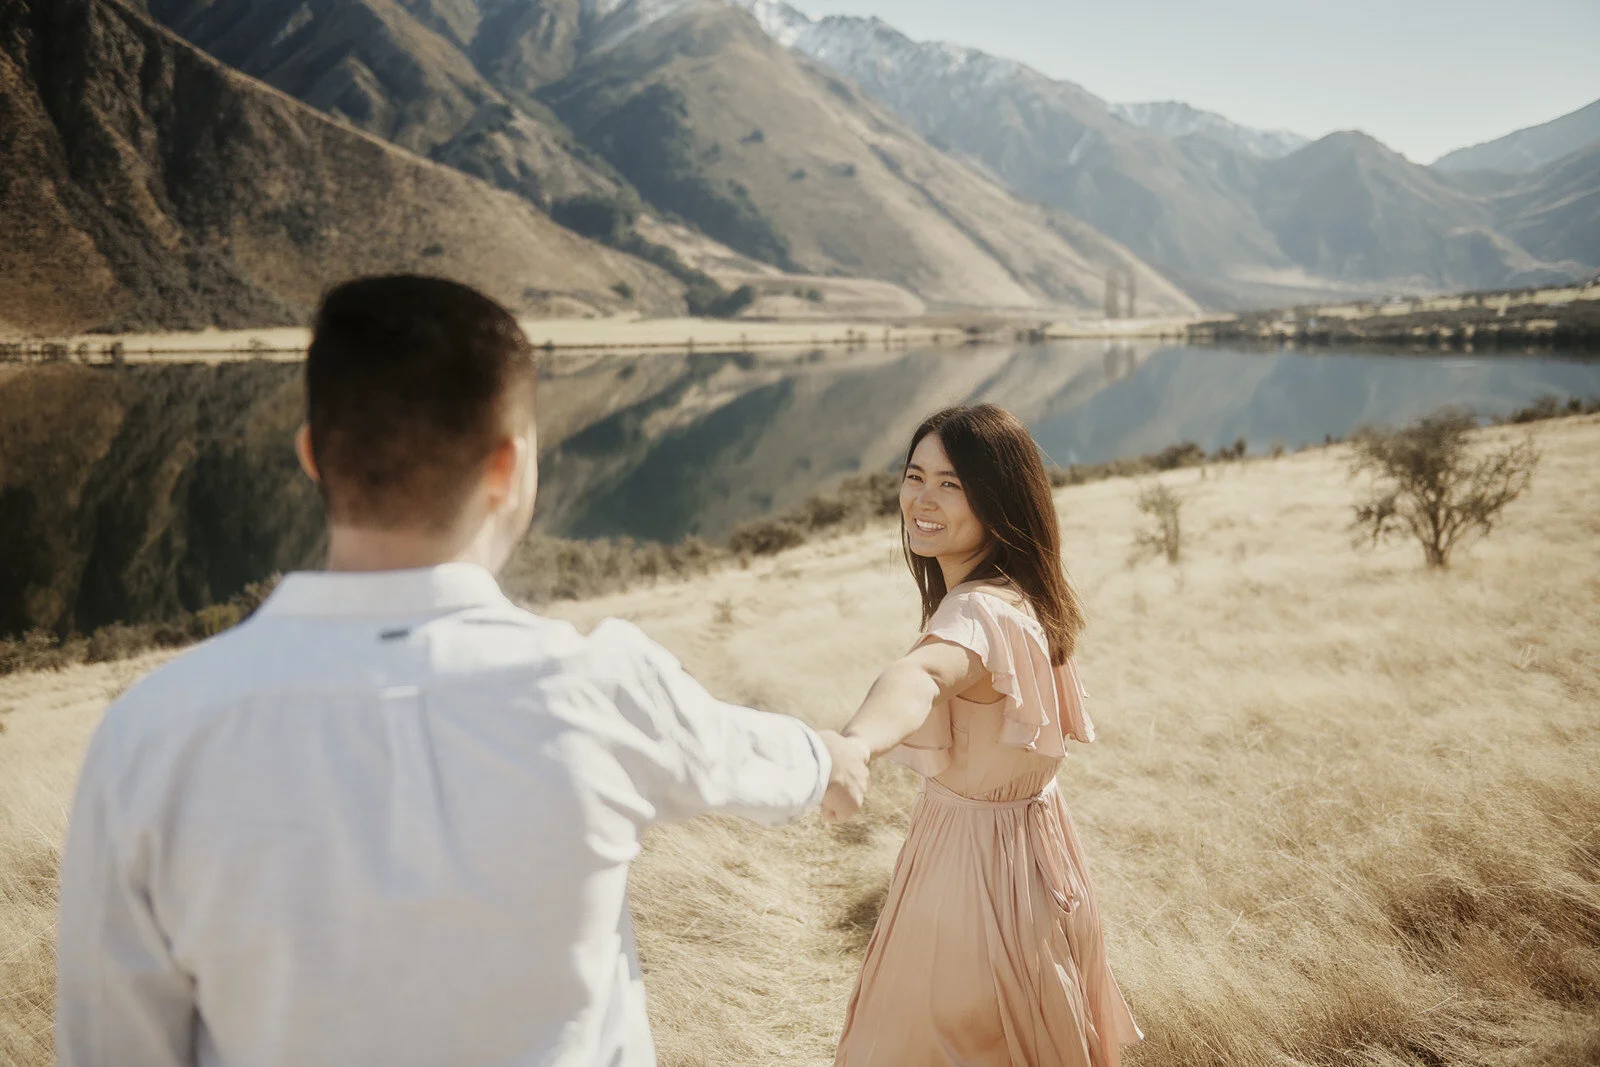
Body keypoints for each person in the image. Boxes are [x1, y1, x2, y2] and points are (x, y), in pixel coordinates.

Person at [54, 275, 870, 1067]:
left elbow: (112, 1042)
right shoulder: (601, 689)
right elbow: (748, 756)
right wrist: (830, 758)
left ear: (311, 456)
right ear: (509, 466)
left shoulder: (151, 733)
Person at [828, 405, 1142, 1067]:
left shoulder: (973, 613)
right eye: (916, 476)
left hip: (970, 890)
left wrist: (855, 744)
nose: (923, 497)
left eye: (952, 483)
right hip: (1037, 867)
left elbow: (918, 673)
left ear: (998, 498)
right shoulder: (1022, 592)